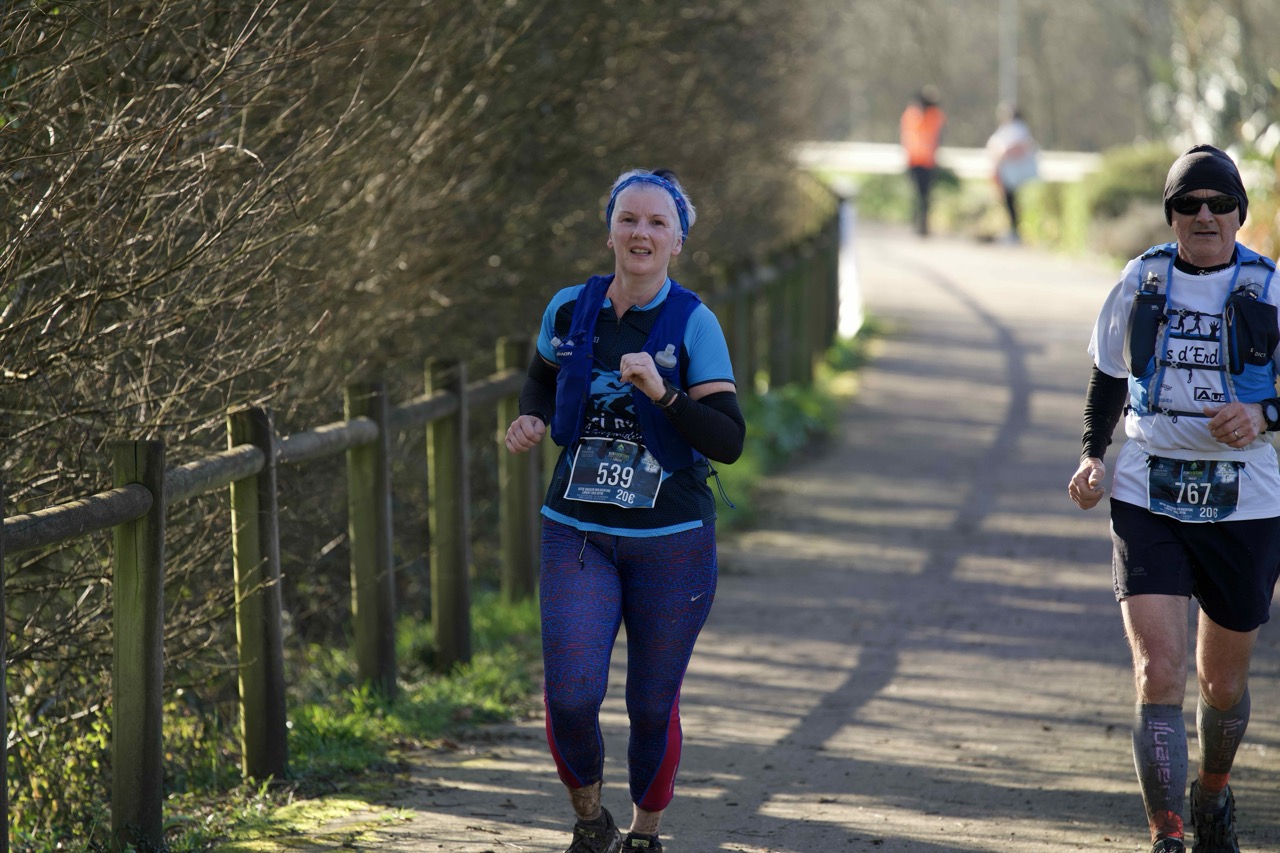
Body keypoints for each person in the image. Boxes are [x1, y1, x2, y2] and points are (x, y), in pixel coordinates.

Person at [504, 168, 745, 853]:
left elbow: (728, 440)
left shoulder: (694, 322)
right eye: (628, 219)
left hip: (672, 539)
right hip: (577, 531)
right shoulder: (567, 309)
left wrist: (665, 394)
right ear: (609, 231)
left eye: (657, 222)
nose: (642, 232)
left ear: (678, 241)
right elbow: (540, 378)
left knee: (650, 704)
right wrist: (530, 416)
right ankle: (591, 822)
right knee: (571, 693)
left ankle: (644, 834)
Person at [1068, 144, 1280, 853]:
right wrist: (1092, 454)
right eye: (1189, 204)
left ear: (1239, 213)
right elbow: (1107, 376)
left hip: (1245, 499)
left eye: (1220, 204)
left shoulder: (1269, 287)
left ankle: (1212, 794)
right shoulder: (1141, 280)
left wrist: (1262, 415)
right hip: (1148, 490)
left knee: (1222, 683)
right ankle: (1168, 832)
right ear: (1171, 215)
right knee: (1158, 672)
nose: (1204, 215)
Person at [985, 103, 1037, 243]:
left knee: (1015, 205)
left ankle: (1017, 232)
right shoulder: (1011, 129)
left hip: (1017, 176)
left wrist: (1001, 157)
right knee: (1010, 204)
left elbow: (1016, 148)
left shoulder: (1018, 129)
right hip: (1011, 176)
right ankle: (1014, 231)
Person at [899, 85, 946, 237]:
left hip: (927, 161)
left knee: (925, 195)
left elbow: (938, 136)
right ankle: (915, 223)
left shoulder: (935, 115)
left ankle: (923, 224)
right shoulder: (912, 113)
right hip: (914, 159)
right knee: (915, 194)